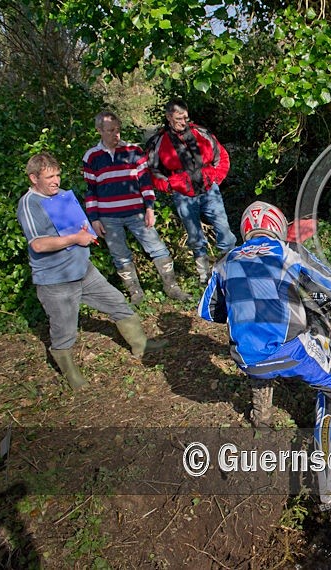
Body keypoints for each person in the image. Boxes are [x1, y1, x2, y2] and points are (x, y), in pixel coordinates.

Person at [197, 201, 331, 445]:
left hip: (247, 360)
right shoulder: (287, 250)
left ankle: (262, 421)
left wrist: (238, 310)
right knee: (328, 377)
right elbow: (327, 279)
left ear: (245, 229)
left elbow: (207, 311)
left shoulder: (225, 261)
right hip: (290, 352)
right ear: (278, 225)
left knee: (258, 357)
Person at [17, 152, 168, 390]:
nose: (56, 180)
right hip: (56, 280)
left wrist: (84, 229)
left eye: (57, 175)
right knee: (64, 329)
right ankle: (72, 375)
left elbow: (74, 225)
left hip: (83, 270)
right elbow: (38, 244)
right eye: (49, 177)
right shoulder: (29, 204)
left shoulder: (61, 195)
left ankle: (141, 344)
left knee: (117, 302)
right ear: (34, 178)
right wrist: (76, 237)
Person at [83, 111, 190, 304]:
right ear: (99, 131)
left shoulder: (134, 151)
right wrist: (94, 219)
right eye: (110, 130)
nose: (116, 134)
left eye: (118, 129)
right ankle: (135, 293)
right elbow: (90, 190)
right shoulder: (92, 157)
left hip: (137, 212)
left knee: (158, 248)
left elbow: (145, 183)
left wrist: (150, 208)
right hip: (108, 216)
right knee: (120, 256)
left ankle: (171, 287)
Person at [145, 99, 237, 284]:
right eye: (179, 118)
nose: (183, 122)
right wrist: (171, 186)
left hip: (209, 190)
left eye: (186, 117)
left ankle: (230, 270)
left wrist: (215, 178)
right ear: (169, 117)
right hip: (184, 194)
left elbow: (221, 155)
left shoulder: (201, 133)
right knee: (194, 235)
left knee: (224, 229)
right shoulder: (158, 141)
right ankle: (204, 275)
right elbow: (151, 171)